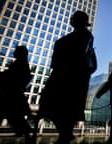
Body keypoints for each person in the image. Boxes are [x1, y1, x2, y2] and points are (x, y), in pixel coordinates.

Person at [38, 10, 96, 144]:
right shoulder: (72, 37)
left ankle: (65, 134)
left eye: (74, 18)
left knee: (66, 107)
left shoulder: (86, 36)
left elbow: (80, 55)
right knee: (51, 106)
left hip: (71, 79)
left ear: (79, 21)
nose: (71, 20)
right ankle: (66, 133)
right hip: (63, 76)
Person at [0, 45, 32, 142]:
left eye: (16, 51)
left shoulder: (20, 64)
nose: (14, 52)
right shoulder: (21, 64)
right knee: (15, 115)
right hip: (14, 95)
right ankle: (26, 132)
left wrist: (1, 75)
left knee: (13, 114)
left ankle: (25, 132)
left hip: (11, 95)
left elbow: (13, 78)